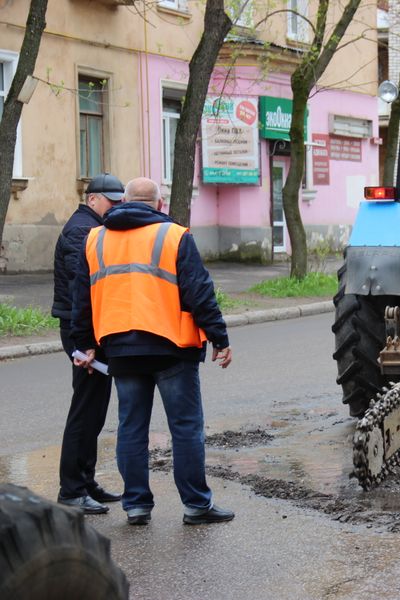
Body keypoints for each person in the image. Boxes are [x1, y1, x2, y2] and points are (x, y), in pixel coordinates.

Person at [71, 177, 235, 526]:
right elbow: (199, 292)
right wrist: (219, 337)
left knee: (131, 427)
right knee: (186, 427)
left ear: (122, 202)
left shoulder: (95, 239)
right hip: (171, 347)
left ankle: (136, 506)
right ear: (160, 204)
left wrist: (83, 343)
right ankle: (196, 505)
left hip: (120, 349)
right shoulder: (174, 236)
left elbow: (81, 298)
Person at [52, 173, 125, 515]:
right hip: (82, 331)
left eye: (120, 201)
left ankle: (86, 481)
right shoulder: (81, 230)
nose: (116, 207)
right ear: (93, 198)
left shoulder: (92, 226)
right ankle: (71, 489)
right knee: (84, 410)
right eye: (112, 201)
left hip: (90, 330)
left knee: (95, 409)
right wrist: (86, 342)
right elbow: (82, 290)